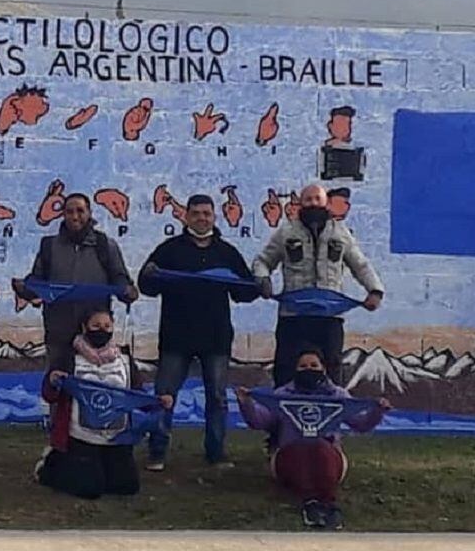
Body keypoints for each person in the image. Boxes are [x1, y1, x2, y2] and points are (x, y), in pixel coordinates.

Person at [137, 194, 258, 471]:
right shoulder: (169, 250)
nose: (201, 218)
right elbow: (146, 286)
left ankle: (216, 453)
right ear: (186, 216)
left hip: (215, 338)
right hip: (176, 337)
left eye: (207, 213)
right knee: (164, 395)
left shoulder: (227, 253)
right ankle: (157, 452)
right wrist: (149, 275)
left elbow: (243, 292)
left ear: (214, 217)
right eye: (196, 213)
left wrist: (257, 285)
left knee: (217, 397)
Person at [236, 347, 390, 530]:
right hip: (290, 455)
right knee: (303, 448)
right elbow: (258, 421)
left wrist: (378, 411)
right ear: (295, 370)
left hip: (328, 457)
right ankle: (314, 503)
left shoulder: (338, 396)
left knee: (319, 447)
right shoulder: (282, 395)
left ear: (323, 368)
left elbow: (361, 425)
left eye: (313, 365)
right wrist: (246, 404)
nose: (308, 369)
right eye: (303, 366)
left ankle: (324, 503)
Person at [252, 183, 384, 387]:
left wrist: (375, 291)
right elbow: (262, 261)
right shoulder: (286, 232)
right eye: (308, 199)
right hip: (293, 317)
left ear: (326, 203)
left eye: (317, 199)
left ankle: (330, 414)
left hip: (330, 319)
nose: (313, 203)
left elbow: (361, 265)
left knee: (332, 371)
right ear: (300, 204)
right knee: (286, 369)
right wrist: (263, 279)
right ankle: (283, 417)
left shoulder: (341, 233)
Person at [36, 308, 172, 500]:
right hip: (80, 436)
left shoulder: (124, 358)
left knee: (126, 487)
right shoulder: (69, 358)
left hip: (117, 436)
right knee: (89, 490)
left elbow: (135, 394)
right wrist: (53, 381)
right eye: (96, 326)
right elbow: (49, 395)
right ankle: (50, 465)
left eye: (107, 326)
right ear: (84, 327)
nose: (102, 330)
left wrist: (158, 402)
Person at [15, 193, 137, 373]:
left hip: (95, 334)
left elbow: (119, 277)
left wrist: (126, 291)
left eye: (80, 211)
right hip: (58, 331)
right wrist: (26, 288)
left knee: (95, 381)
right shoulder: (48, 246)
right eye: (69, 211)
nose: (75, 216)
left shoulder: (105, 245)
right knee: (57, 385)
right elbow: (38, 279)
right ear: (63, 214)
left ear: (89, 213)